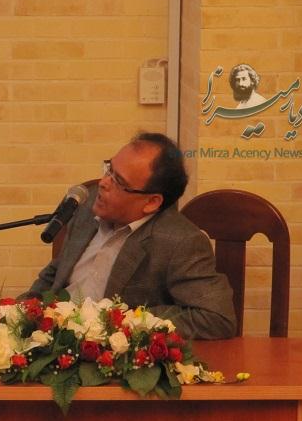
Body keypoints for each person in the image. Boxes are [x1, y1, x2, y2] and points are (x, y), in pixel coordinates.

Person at [24, 133, 237, 340]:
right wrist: (20, 311)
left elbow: (217, 318)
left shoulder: (180, 241)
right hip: (52, 339)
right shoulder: (88, 204)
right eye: (109, 169)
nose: (103, 183)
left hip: (107, 351)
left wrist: (129, 320)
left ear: (151, 202)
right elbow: (58, 271)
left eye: (118, 181)